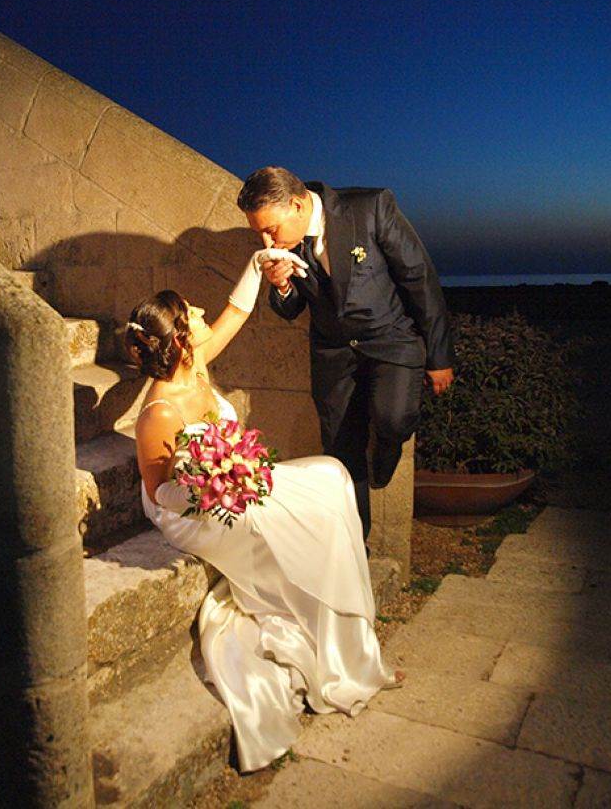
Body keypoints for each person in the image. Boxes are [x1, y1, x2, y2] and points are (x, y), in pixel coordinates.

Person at [125, 255, 404, 772]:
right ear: (179, 341)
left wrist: (258, 265)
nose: (202, 315)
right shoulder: (157, 414)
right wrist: (213, 486)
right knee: (304, 516)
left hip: (236, 485)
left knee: (332, 477)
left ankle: (348, 646)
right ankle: (335, 647)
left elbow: (236, 311)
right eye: (193, 313)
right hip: (195, 509)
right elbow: (159, 492)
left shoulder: (195, 361)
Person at [237, 167, 455, 540]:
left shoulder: (371, 208)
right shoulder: (284, 245)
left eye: (270, 229)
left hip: (391, 338)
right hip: (333, 352)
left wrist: (440, 356)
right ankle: (356, 546)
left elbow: (419, 278)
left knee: (394, 419)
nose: (265, 240)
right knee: (340, 452)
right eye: (259, 232)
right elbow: (290, 310)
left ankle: (387, 447)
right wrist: (281, 285)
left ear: (297, 205)